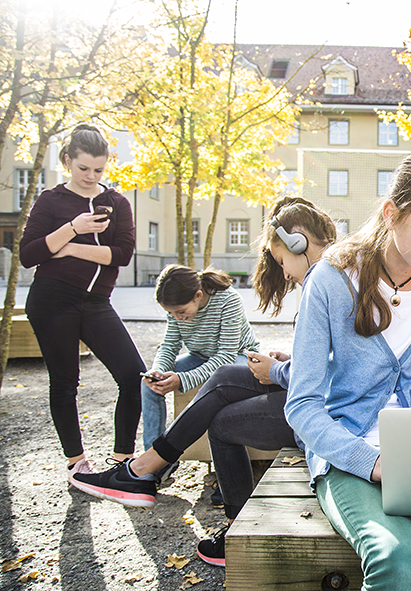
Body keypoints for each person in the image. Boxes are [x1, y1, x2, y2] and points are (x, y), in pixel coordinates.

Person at [70, 197, 336, 567]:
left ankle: (162, 482)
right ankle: (146, 471)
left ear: (299, 243)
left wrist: (276, 371)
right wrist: (288, 360)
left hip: (325, 409)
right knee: (225, 377)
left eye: (281, 262)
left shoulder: (325, 281)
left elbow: (336, 373)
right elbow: (329, 358)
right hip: (311, 389)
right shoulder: (332, 276)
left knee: (223, 423)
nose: (285, 273)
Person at [283, 151, 411, 591]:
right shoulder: (331, 280)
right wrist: (372, 462)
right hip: (348, 454)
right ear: (391, 212)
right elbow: (302, 405)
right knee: (399, 559)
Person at [20, 124, 145, 486]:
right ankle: (77, 464)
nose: (91, 176)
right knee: (64, 382)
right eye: (83, 168)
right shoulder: (51, 201)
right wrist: (72, 227)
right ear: (67, 161)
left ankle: (122, 461)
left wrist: (71, 247)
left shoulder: (118, 203)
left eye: (98, 170)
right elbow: (30, 254)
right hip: (51, 298)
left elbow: (121, 254)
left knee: (132, 375)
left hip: (96, 303)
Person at [140, 264, 260, 450]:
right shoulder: (176, 310)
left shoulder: (228, 299)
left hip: (238, 359)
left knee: (224, 375)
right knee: (149, 386)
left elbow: (226, 356)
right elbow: (170, 346)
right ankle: (154, 460)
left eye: (181, 312)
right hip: (200, 357)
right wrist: (159, 371)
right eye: (171, 313)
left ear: (198, 295)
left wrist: (182, 379)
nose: (177, 317)